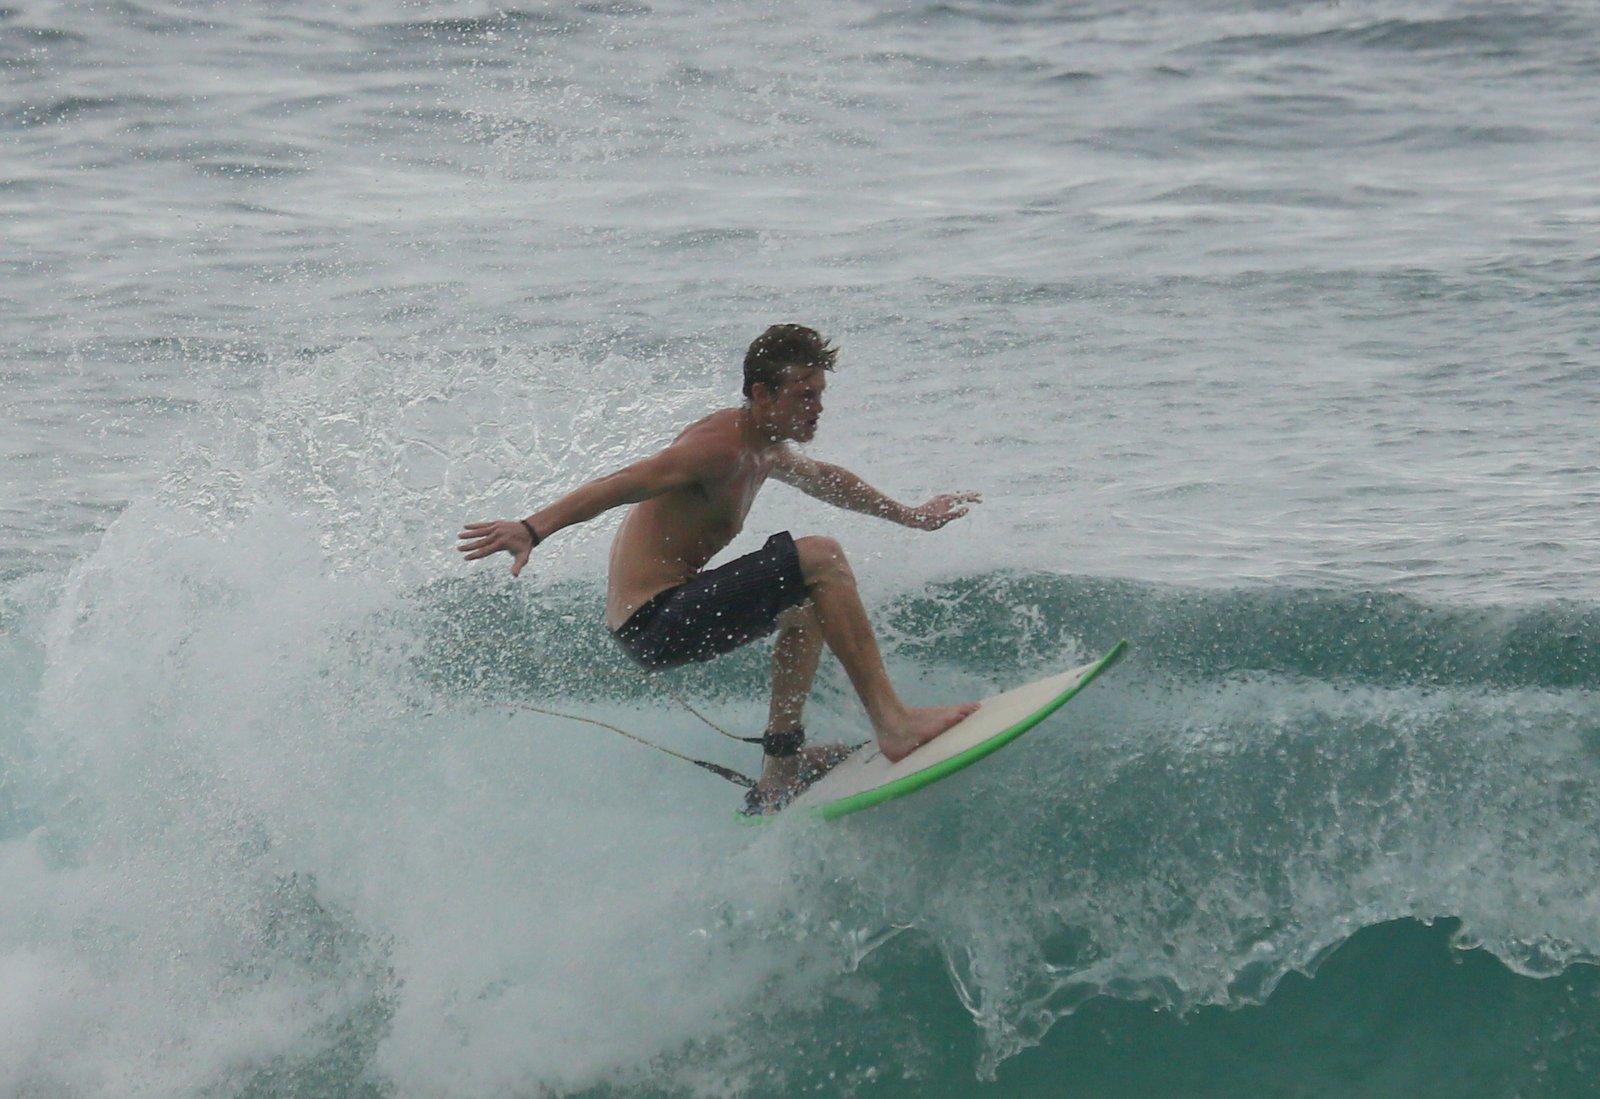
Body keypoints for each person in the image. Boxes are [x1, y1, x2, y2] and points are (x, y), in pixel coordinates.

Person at [457, 324, 981, 811]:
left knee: (808, 603)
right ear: (761, 394)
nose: (816, 408)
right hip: (653, 620)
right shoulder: (718, 448)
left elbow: (827, 479)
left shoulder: (767, 449)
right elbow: (622, 482)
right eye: (804, 394)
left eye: (819, 394)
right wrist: (532, 529)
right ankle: (894, 722)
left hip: (667, 612)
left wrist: (912, 516)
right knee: (820, 557)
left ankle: (780, 769)